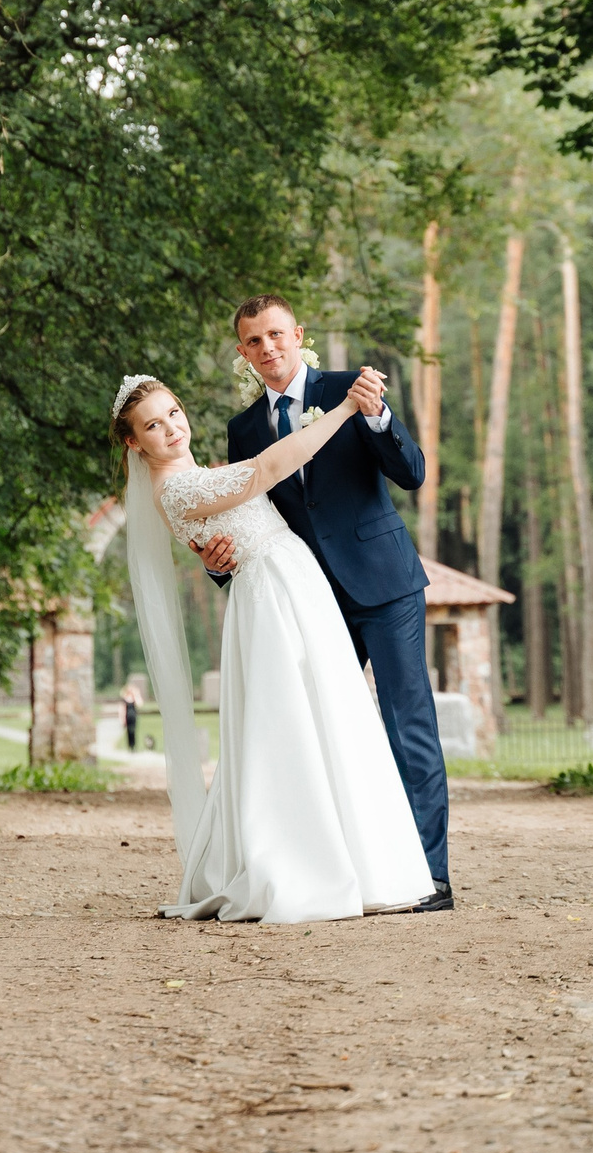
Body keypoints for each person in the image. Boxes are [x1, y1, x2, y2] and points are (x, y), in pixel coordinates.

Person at [112, 373, 435, 923]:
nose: (170, 429)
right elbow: (266, 470)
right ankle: (303, 863)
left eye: (173, 413)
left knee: (333, 716)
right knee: (294, 724)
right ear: (133, 442)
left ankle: (365, 861)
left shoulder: (193, 474)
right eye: (152, 425)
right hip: (273, 597)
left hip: (292, 583)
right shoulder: (178, 487)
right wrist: (341, 412)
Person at [194, 296, 452, 912]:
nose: (268, 349)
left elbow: (412, 472)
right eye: (254, 341)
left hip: (384, 584)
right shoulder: (244, 430)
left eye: (276, 335)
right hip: (310, 596)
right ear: (242, 352)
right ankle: (351, 866)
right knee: (321, 729)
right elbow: (251, 520)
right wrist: (218, 564)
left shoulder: (351, 388)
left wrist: (379, 416)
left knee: (405, 722)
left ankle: (430, 876)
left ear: (298, 334)